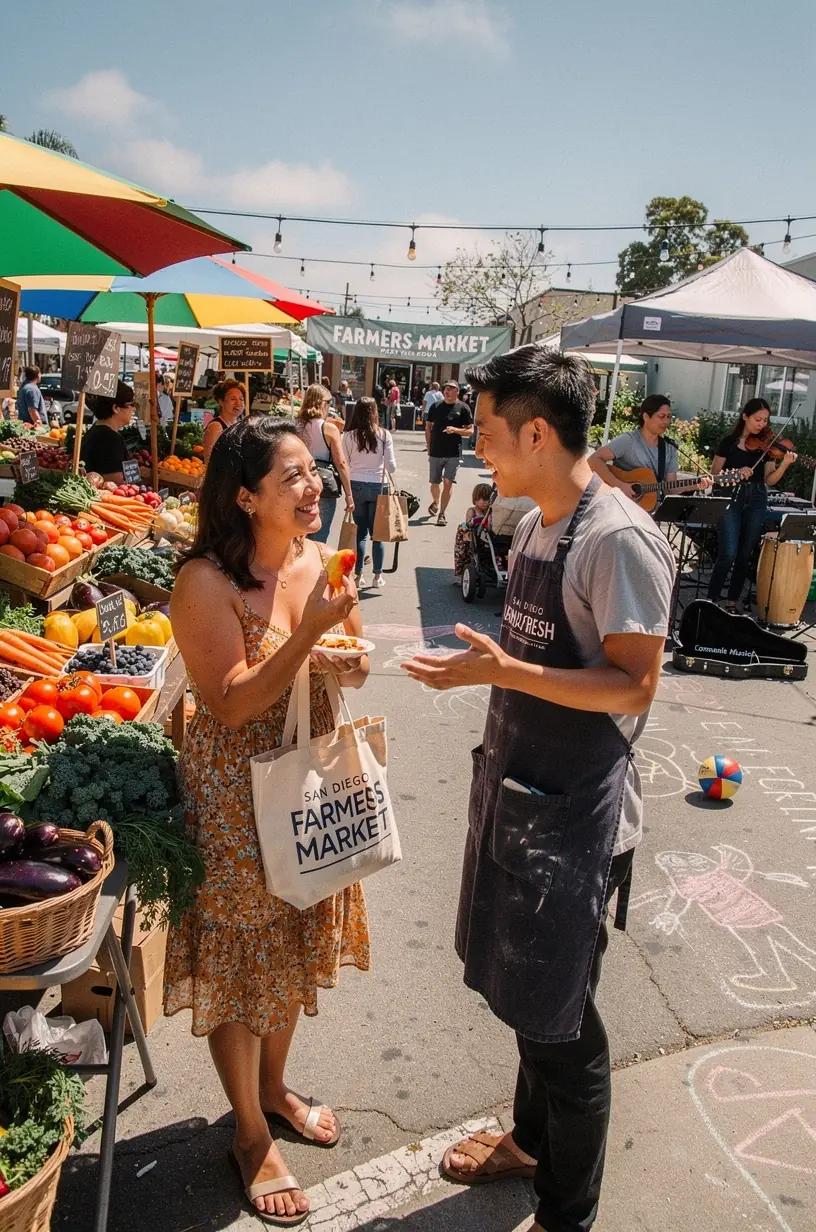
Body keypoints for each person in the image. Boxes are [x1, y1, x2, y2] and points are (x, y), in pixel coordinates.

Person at [402, 347, 676, 1232]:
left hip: (579, 817)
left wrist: (506, 670)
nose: (474, 443)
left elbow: (634, 685)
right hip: (521, 792)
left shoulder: (618, 538)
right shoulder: (531, 527)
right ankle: (526, 1141)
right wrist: (491, 671)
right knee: (529, 996)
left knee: (562, 1025)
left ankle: (568, 1212)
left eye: (484, 431)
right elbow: (520, 664)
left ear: (536, 432)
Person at [164, 415, 371, 1226]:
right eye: (292, 475)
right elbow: (230, 697)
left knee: (290, 939)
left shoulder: (316, 558)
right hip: (233, 795)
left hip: (308, 777)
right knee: (243, 954)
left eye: (313, 468)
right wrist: (313, 633)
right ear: (246, 496)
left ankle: (275, 1087)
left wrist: (348, 652)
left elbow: (346, 653)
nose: (313, 482)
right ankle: (250, 1134)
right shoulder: (204, 583)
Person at [706, 397, 797, 612]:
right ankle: (709, 601)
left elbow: (769, 480)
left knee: (745, 553)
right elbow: (714, 475)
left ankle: (732, 602)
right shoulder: (728, 443)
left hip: (756, 497)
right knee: (728, 552)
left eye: (765, 420)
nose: (762, 425)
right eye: (758, 419)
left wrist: (784, 465)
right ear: (745, 416)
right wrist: (736, 474)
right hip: (729, 497)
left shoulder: (766, 448)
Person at [588, 394, 712, 508]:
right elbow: (593, 460)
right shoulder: (628, 441)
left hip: (651, 511)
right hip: (621, 507)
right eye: (661, 416)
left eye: (669, 417)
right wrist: (620, 485)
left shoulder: (669, 448)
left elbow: (670, 488)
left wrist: (696, 484)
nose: (666, 421)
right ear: (646, 417)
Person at [342, 396, 397, 589]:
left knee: (359, 534)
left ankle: (358, 576)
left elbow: (345, 463)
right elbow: (392, 467)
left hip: (356, 484)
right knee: (378, 534)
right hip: (379, 486)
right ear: (375, 413)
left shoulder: (348, 436)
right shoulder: (384, 435)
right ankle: (377, 576)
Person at [297, 383, 354, 545]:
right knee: (320, 535)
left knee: (300, 533)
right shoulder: (329, 429)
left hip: (300, 483)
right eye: (328, 403)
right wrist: (349, 495)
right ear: (321, 403)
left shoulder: (296, 426)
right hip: (324, 485)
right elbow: (341, 462)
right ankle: (316, 568)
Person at [425, 380, 474, 527]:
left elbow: (471, 431)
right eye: (446, 388)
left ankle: (442, 513)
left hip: (454, 452)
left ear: (457, 391)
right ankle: (435, 501)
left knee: (448, 482)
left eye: (451, 389)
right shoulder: (435, 406)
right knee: (435, 483)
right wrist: (428, 446)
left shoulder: (463, 408)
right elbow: (428, 427)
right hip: (436, 451)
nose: (447, 391)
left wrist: (456, 430)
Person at [80, 380, 136, 482]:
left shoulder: (98, 430)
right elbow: (114, 482)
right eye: (131, 404)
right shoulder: (109, 439)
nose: (134, 409)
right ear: (116, 408)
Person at [453, 482, 492, 584]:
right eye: (481, 499)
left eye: (487, 500)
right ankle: (462, 575)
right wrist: (474, 521)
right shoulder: (472, 510)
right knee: (467, 554)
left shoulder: (490, 511)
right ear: (475, 499)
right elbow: (469, 523)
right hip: (471, 537)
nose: (484, 502)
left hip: (485, 537)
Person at [203, 378, 245, 464]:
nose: (238, 403)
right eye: (232, 399)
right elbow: (210, 460)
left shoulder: (239, 424)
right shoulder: (216, 426)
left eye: (241, 399)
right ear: (221, 402)